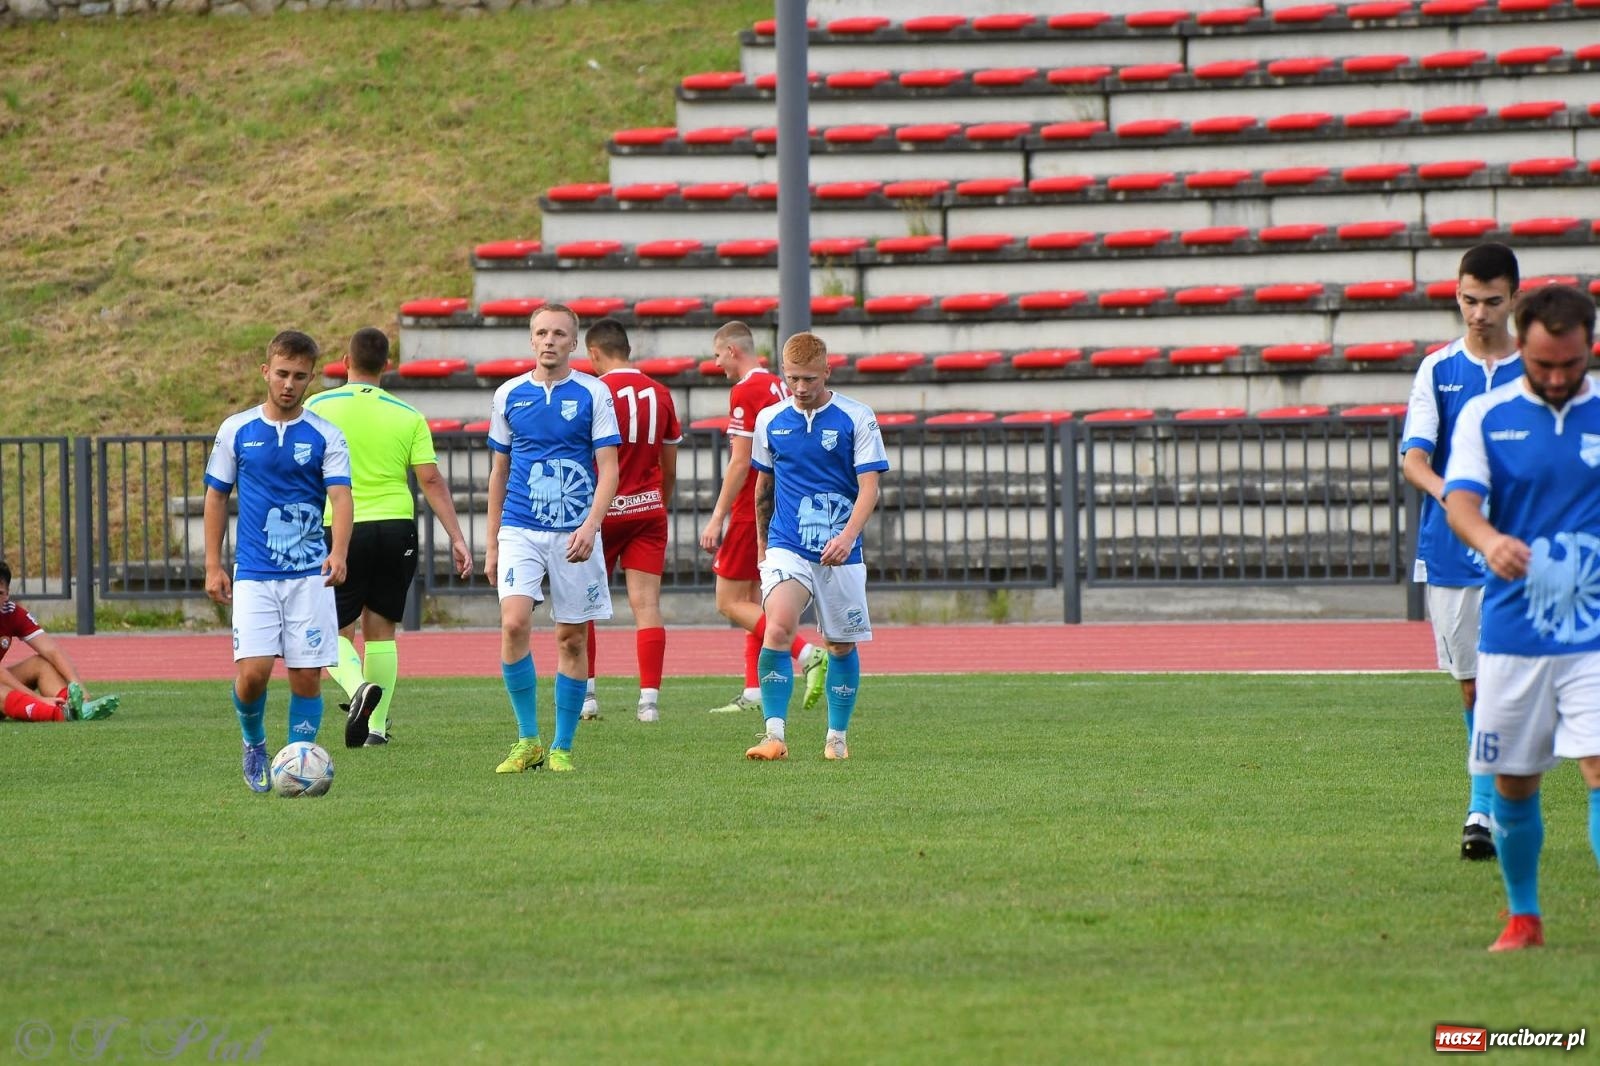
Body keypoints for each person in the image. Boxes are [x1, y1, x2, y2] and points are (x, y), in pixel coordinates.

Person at [1443, 283, 1600, 951]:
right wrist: (1489, 541)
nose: (1558, 377)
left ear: (1589, 346)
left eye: (1570, 364)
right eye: (1543, 366)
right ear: (1524, 348)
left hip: (1592, 631)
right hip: (1512, 633)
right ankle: (1524, 916)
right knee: (1514, 781)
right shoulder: (1487, 415)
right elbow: (1460, 504)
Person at [1401, 242, 1524, 861]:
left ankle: (1485, 809)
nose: (1478, 313)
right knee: (1474, 689)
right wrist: (1456, 495)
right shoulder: (1437, 369)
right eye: (1469, 300)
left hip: (1522, 550)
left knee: (1518, 682)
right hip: (1451, 551)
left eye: (1492, 301)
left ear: (1514, 299)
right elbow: (1414, 458)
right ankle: (1492, 802)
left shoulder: (1537, 369)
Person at [305, 327, 473, 747]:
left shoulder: (318, 405)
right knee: (381, 633)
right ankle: (376, 729)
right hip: (396, 526)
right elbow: (430, 479)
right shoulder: (407, 413)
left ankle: (357, 689)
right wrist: (457, 537)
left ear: (345, 362)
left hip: (341, 525)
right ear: (388, 367)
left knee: (335, 631)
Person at [204, 330, 353, 793]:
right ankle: (254, 744)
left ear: (310, 379)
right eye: (282, 374)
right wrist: (213, 563)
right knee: (253, 675)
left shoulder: (326, 434)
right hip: (255, 575)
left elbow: (341, 496)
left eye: (300, 377)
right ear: (266, 372)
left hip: (309, 575)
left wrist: (340, 551)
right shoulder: (237, 429)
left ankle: (297, 767)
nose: (289, 384)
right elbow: (215, 497)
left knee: (307, 676)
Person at [486, 305, 620, 774]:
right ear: (530, 340)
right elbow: (499, 472)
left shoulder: (593, 393)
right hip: (520, 527)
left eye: (559, 334)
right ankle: (528, 740)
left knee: (571, 637)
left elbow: (609, 470)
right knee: (514, 623)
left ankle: (562, 746)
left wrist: (590, 526)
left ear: (573, 343)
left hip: (574, 533)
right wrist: (492, 541)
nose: (549, 341)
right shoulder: (508, 395)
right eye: (541, 332)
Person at [744, 331, 889, 762]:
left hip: (841, 550)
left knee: (840, 645)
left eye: (809, 378)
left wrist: (847, 538)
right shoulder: (770, 420)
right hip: (788, 545)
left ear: (827, 371)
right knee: (778, 627)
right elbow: (762, 488)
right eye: (793, 379)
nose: (801, 388)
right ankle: (774, 735)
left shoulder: (856, 418)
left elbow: (870, 489)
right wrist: (762, 547)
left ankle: (836, 738)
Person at [697, 321, 826, 715]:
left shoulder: (746, 390)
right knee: (758, 599)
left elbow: (740, 461)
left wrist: (717, 516)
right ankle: (754, 689)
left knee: (729, 601)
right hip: (782, 499)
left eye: (718, 355)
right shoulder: (778, 383)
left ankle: (806, 654)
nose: (717, 363)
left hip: (752, 505)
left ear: (733, 351)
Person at [577, 318, 682, 724]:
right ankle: (649, 701)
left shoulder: (592, 391)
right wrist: (658, 502)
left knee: (582, 603)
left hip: (600, 513)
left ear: (594, 353)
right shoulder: (661, 394)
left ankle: (587, 695)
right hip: (648, 510)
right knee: (647, 605)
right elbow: (669, 466)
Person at [0, 559, 119, 722]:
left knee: (40, 664)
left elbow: (51, 650)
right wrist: (37, 698)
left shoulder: (12, 613)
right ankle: (60, 714)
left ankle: (76, 707)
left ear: (7, 594)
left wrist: (78, 686)